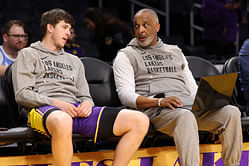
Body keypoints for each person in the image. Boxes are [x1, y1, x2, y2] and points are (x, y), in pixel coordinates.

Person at [12, 8, 149, 166]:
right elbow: (22, 95)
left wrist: (87, 104)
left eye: (70, 29)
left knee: (139, 120)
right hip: (43, 110)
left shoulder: (75, 61)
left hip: (75, 110)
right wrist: (56, 103)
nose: (68, 33)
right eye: (64, 27)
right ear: (50, 27)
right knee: (62, 119)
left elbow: (85, 96)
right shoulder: (28, 54)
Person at [113, 8, 242, 166]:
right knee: (184, 116)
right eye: (137, 26)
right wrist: (159, 102)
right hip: (157, 110)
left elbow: (191, 87)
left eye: (145, 25)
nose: (141, 30)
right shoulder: (126, 55)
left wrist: (207, 102)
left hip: (187, 107)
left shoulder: (175, 52)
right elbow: (125, 95)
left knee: (231, 112)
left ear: (157, 27)